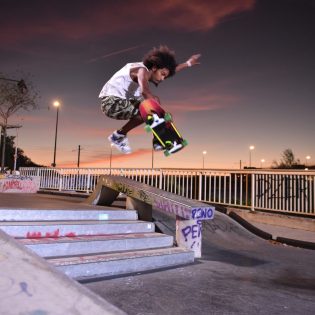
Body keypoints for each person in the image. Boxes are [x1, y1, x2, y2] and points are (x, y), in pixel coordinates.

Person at [99, 45, 201, 154]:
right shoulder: (141, 70)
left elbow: (171, 70)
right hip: (111, 103)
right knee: (150, 106)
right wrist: (161, 114)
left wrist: (188, 63)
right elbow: (145, 91)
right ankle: (157, 139)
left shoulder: (150, 69)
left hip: (121, 102)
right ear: (154, 68)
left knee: (150, 107)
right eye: (162, 75)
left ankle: (119, 135)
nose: (162, 79)